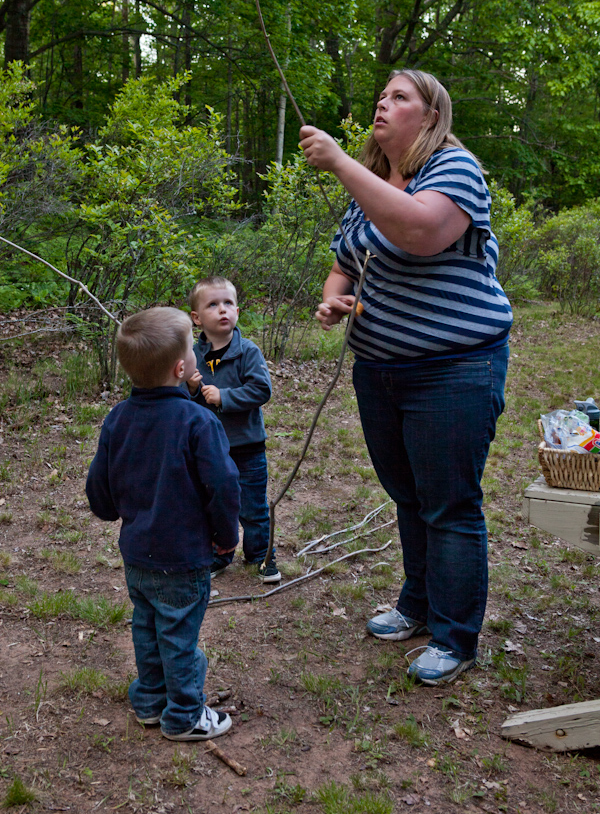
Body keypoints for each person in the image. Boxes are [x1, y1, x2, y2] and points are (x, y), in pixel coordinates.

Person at [300, 69, 512, 685]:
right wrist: (330, 299)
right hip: (380, 370)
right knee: (409, 496)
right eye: (380, 98)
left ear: (430, 114)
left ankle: (455, 636)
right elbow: (347, 259)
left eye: (399, 97)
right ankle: (417, 607)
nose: (382, 106)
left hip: (454, 369)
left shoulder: (454, 168)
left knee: (448, 504)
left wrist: (341, 163)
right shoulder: (373, 184)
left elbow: (420, 231)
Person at [86, 307, 240, 740]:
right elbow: (224, 485)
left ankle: (150, 701)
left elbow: (100, 480)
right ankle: (185, 715)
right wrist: (227, 538)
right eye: (193, 349)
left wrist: (107, 509)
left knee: (147, 627)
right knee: (177, 635)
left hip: (137, 554)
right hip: (183, 556)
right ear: (180, 367)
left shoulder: (118, 417)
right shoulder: (198, 420)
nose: (197, 354)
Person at [186, 276, 279, 583]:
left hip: (247, 445)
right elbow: (188, 402)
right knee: (214, 502)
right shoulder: (193, 355)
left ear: (237, 310)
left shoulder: (247, 351)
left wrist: (225, 396)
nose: (222, 310)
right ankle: (219, 553)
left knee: (252, 506)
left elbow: (261, 389)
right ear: (197, 318)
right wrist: (192, 388)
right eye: (213, 305)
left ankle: (261, 556)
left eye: (228, 303)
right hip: (209, 447)